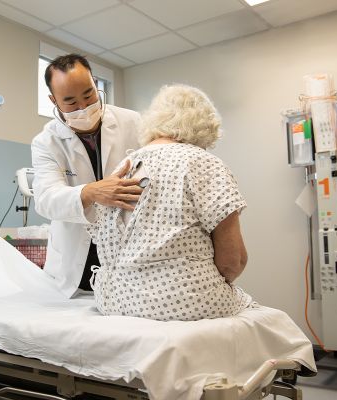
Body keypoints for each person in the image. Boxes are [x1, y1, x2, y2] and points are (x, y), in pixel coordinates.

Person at [87, 84, 254, 321]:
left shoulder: (121, 169)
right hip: (187, 300)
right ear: (205, 127)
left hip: (115, 301)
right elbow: (233, 260)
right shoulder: (203, 162)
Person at [31, 54, 142, 298]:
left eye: (89, 95)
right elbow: (46, 199)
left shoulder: (133, 123)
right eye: (70, 101)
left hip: (128, 253)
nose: (83, 107)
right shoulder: (46, 142)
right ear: (54, 100)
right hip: (75, 264)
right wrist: (91, 191)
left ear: (95, 84)